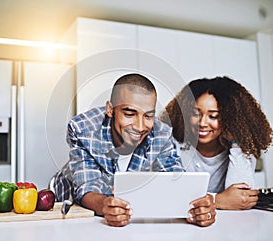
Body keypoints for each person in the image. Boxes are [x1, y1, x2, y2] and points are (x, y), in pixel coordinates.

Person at [51, 73, 216, 227]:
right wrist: (106, 206)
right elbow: (87, 187)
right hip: (66, 200)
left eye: (148, 116)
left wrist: (197, 207)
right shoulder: (83, 128)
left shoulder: (162, 134)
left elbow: (176, 180)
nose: (140, 126)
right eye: (129, 113)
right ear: (110, 109)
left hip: (116, 206)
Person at [160, 76, 273, 210]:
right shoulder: (172, 144)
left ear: (231, 119)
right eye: (195, 114)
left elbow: (240, 200)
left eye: (213, 116)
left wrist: (236, 143)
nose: (202, 123)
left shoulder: (242, 148)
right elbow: (168, 196)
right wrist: (217, 200)